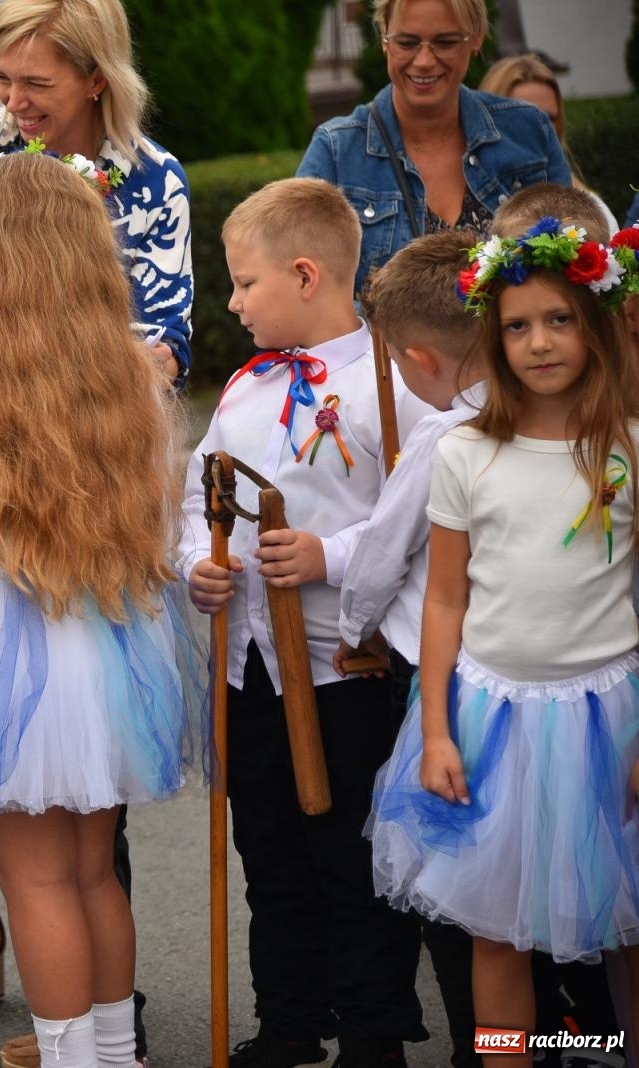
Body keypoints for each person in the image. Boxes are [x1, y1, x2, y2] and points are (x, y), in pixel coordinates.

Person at [0, 4, 189, 1055]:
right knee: (90, 872)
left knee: (34, 883)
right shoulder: (129, 384)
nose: (13, 101)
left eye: (37, 81)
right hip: (111, 648)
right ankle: (110, 1051)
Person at [366, 215, 639, 1060]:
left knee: (631, 925)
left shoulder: (627, 445)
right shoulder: (465, 452)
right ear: (494, 337)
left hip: (611, 714)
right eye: (517, 326)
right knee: (496, 930)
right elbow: (444, 600)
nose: (539, 342)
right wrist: (436, 732)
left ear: (594, 325)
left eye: (559, 319)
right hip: (492, 719)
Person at [183, 178, 433, 1068]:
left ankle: (372, 1032)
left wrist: (331, 555)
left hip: (346, 669)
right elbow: (199, 498)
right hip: (252, 665)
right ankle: (289, 1020)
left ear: (303, 274)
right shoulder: (244, 390)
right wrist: (197, 562)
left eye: (245, 283)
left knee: (354, 859)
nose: (234, 303)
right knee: (270, 852)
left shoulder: (392, 387)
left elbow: (425, 511)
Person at [332, 231, 487, 1068]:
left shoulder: (441, 438)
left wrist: (354, 627)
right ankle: (566, 1038)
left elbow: (379, 557)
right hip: (540, 684)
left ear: (419, 359)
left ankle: (481, 1044)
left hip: (440, 689)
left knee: (452, 881)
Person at [0, 0, 192, 386]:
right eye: (3, 77)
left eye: (36, 83)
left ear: (97, 79)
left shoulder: (156, 180)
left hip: (93, 409)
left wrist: (151, 362)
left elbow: (165, 343)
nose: (13, 101)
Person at [297, 0, 571, 295]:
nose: (424, 60)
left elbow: (574, 265)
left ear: (476, 38)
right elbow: (299, 286)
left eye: (445, 42)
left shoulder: (529, 131)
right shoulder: (336, 151)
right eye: (407, 42)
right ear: (384, 37)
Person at [477, 54, 619, 235]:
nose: (541, 126)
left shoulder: (595, 213)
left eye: (549, 117)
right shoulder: (464, 203)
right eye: (522, 116)